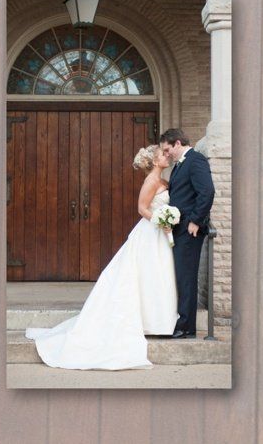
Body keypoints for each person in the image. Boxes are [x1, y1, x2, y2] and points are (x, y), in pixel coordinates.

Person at [26, 146, 179, 370]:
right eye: (163, 154)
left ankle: (158, 321)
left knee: (157, 276)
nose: (167, 156)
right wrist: (161, 220)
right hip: (150, 232)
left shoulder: (163, 180)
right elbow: (142, 208)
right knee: (145, 274)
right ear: (155, 161)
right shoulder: (151, 181)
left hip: (159, 235)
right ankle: (147, 322)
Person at [158, 129, 215, 339]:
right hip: (178, 229)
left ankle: (186, 327)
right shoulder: (179, 165)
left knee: (186, 278)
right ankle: (183, 323)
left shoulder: (195, 160)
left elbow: (207, 191)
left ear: (178, 143)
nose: (166, 154)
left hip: (189, 230)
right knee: (181, 277)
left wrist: (195, 221)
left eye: (167, 149)